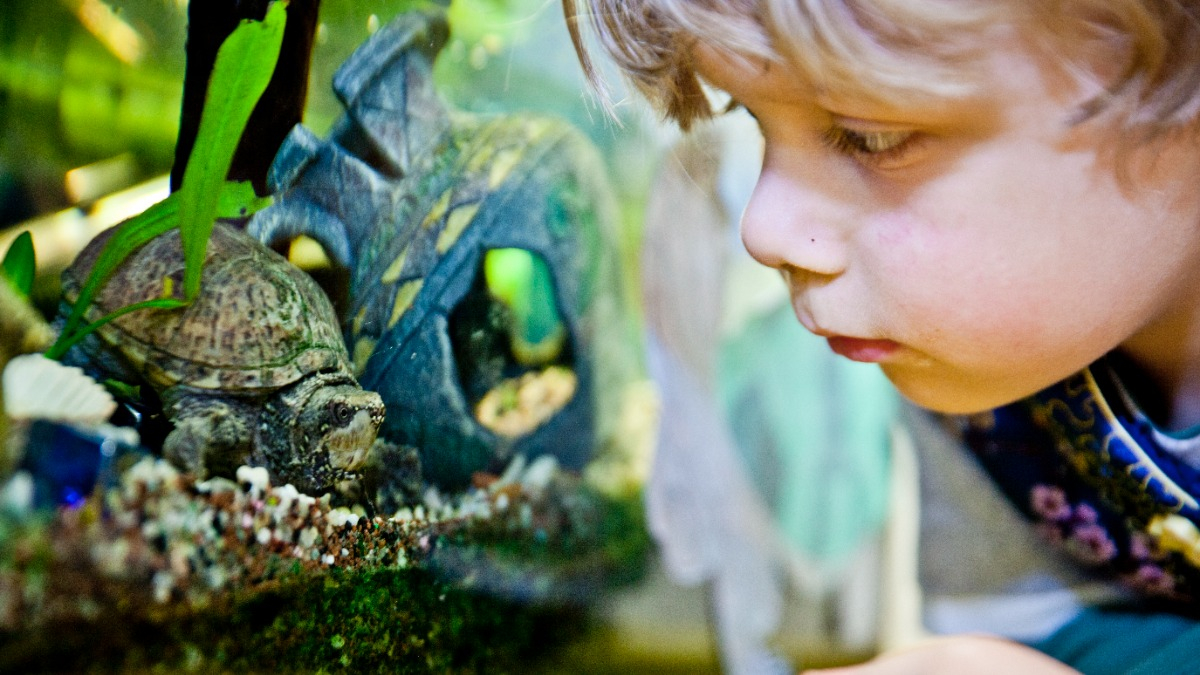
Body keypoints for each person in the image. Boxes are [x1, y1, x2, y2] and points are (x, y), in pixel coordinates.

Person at [562, 0, 1200, 672]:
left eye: (869, 137)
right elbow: (1045, 628)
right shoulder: (985, 369)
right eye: (755, 118)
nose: (764, 228)